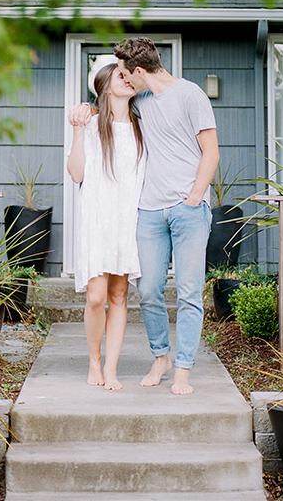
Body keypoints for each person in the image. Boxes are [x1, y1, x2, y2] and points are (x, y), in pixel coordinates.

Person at [114, 36, 219, 396]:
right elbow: (109, 102)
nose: (125, 81)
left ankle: (183, 369)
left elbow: (211, 153)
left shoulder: (191, 95)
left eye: (128, 75)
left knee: (189, 292)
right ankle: (161, 356)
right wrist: (86, 111)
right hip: (148, 211)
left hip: (188, 210)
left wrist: (193, 199)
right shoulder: (139, 100)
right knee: (148, 289)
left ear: (140, 71)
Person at [67, 60, 146, 390]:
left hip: (127, 220)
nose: (127, 79)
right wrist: (76, 130)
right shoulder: (91, 123)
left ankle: (111, 369)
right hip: (98, 220)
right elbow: (76, 174)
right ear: (104, 86)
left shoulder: (144, 125)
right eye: (120, 76)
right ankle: (94, 362)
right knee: (96, 297)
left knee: (119, 296)